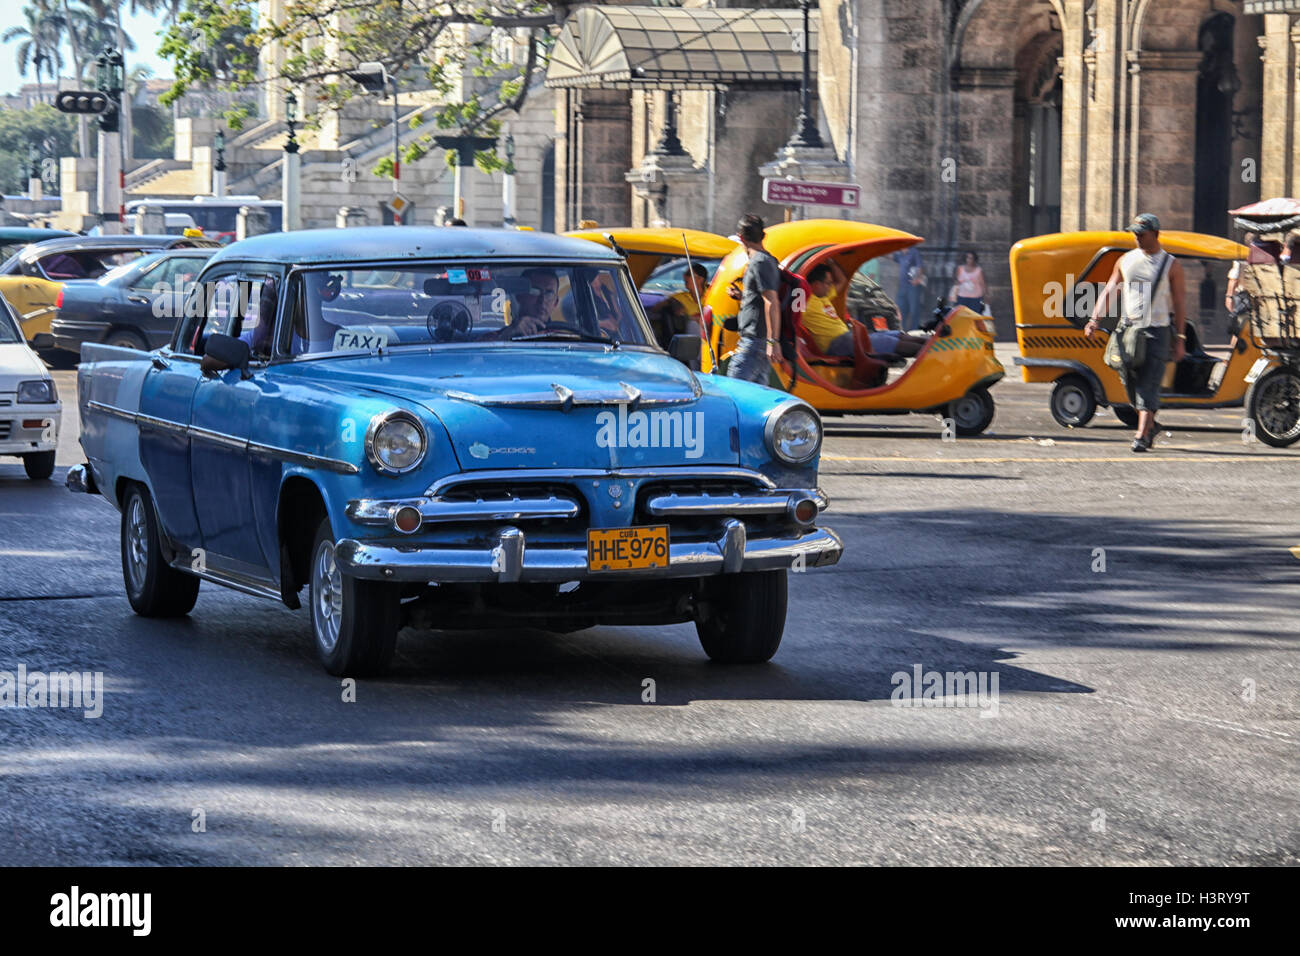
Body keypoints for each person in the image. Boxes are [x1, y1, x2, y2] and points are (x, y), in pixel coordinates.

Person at [1084, 213, 1187, 453]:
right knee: (1130, 384)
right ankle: (1151, 426)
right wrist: (1094, 319)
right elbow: (1110, 289)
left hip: (1157, 332)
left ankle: (1141, 435)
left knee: (1148, 384)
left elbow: (1180, 303)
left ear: (1156, 234)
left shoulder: (1171, 264)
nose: (1137, 238)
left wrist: (1180, 338)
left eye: (1142, 234)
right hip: (1128, 331)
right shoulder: (1125, 260)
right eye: (1135, 234)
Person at [802, 260, 887, 388]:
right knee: (882, 343)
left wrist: (831, 262)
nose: (830, 287)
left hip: (847, 336)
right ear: (816, 284)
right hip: (836, 343)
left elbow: (842, 281)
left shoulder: (824, 296)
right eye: (828, 283)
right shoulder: (806, 302)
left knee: (891, 336)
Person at [725, 214, 781, 384]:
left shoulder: (760, 262)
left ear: (741, 238)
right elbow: (761, 298)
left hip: (755, 341)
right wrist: (742, 297)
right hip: (758, 341)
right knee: (755, 395)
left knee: (734, 390)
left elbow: (771, 301)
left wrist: (773, 341)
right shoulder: (766, 260)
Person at [891, 245, 926, 331]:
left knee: (914, 310)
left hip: (912, 286)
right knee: (900, 308)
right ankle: (901, 329)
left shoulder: (913, 252)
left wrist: (917, 279)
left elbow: (920, 266)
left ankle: (914, 330)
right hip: (902, 286)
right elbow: (891, 257)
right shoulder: (900, 254)